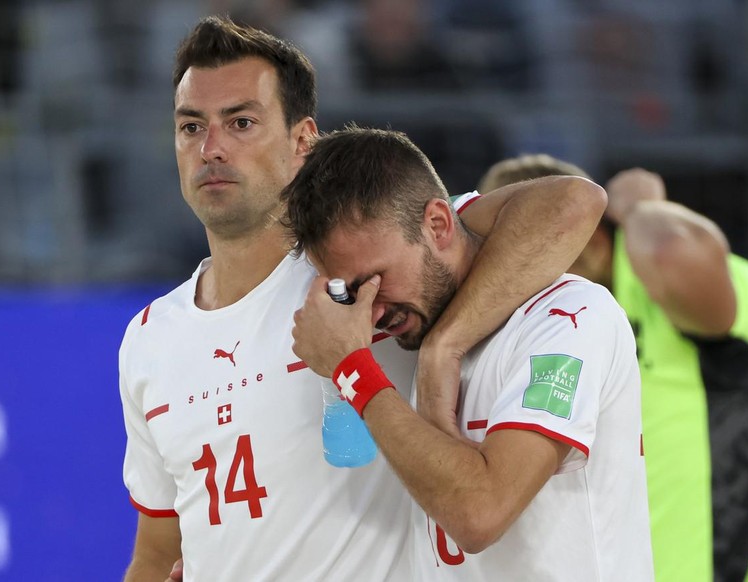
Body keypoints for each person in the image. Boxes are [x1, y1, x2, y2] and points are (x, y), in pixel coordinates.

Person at [118, 16, 606, 581]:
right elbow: (156, 554)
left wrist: (445, 343)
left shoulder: (371, 267)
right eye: (191, 127)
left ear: (303, 140)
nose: (211, 148)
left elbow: (571, 203)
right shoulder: (149, 339)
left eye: (241, 122)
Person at [284, 127, 654, 581]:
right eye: (353, 291)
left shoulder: (569, 319)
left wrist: (353, 369)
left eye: (377, 278)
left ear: (439, 225)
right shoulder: (411, 317)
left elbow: (479, 515)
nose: (372, 311)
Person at [477, 154, 748, 582]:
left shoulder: (670, 279)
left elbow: (669, 250)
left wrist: (639, 206)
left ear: (594, 238)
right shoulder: (519, 328)